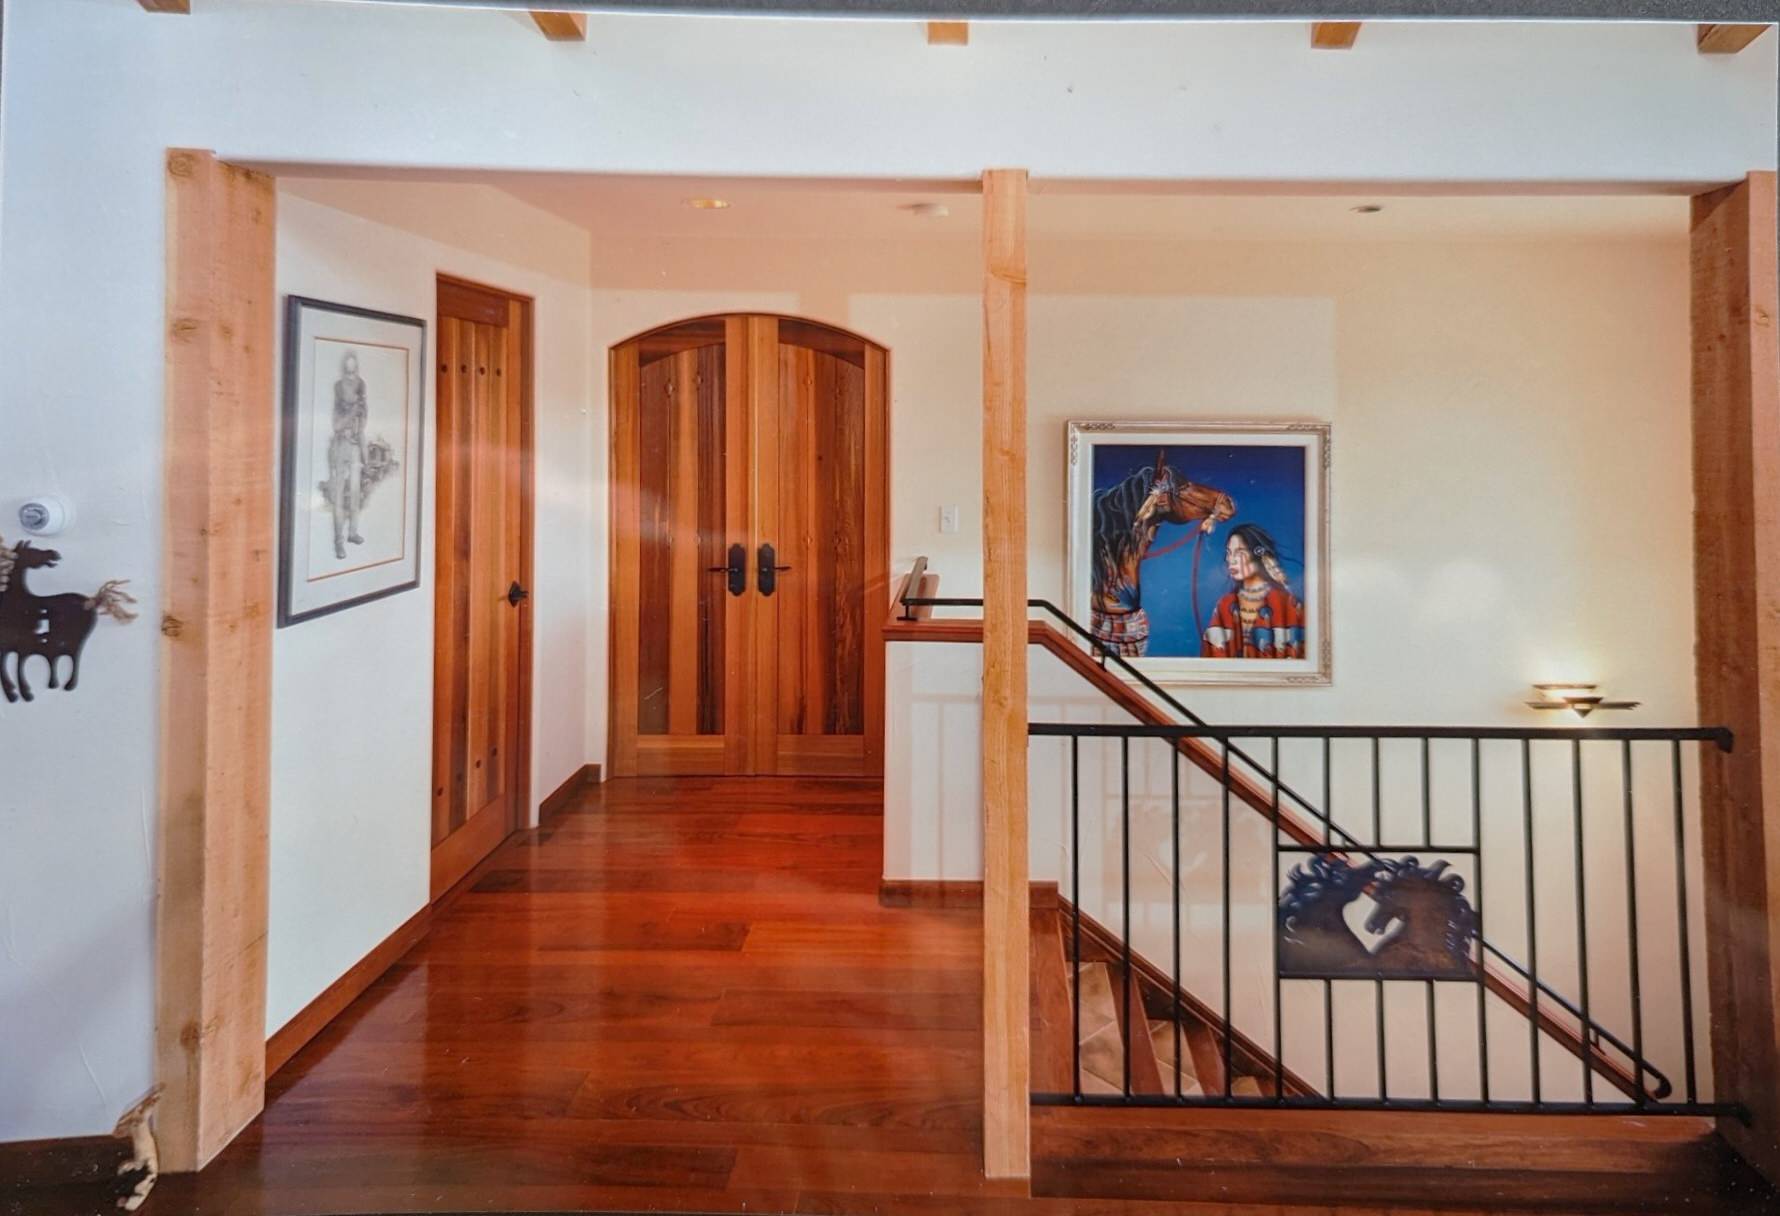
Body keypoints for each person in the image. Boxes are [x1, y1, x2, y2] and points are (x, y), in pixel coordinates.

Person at [1202, 523, 1304, 659]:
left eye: (1239, 553)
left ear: (1259, 554)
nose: (1230, 560)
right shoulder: (1224, 605)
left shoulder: (1289, 603)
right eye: (1228, 553)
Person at [326, 351, 368, 560]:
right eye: (348, 374)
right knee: (339, 497)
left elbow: (362, 426)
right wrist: (352, 413)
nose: (351, 379)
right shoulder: (338, 394)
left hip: (353, 450)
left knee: (355, 492)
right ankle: (338, 542)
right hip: (339, 448)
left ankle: (352, 533)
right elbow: (336, 425)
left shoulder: (361, 393)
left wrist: (364, 453)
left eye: (354, 374)